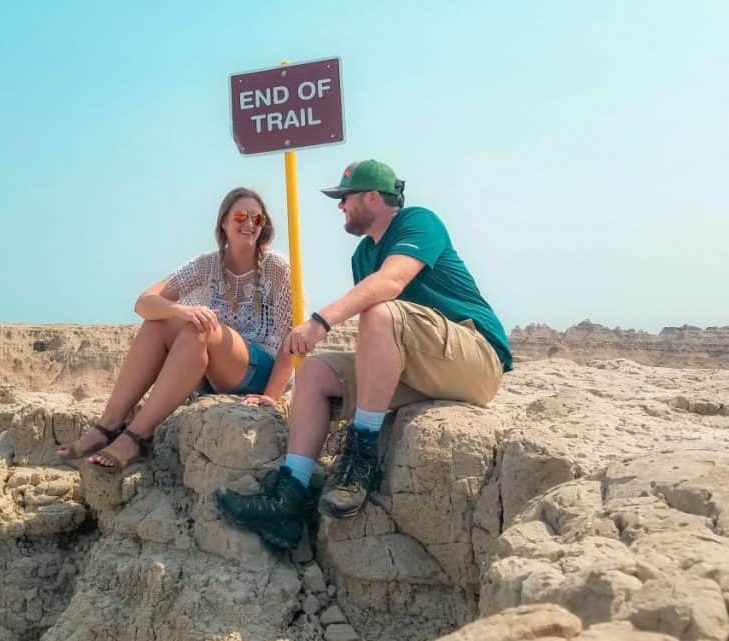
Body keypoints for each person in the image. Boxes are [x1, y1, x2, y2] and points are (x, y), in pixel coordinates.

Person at [214, 160, 512, 549]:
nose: (340, 206)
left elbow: (391, 283)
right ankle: (290, 494)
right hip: (420, 369)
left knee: (379, 311)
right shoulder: (361, 256)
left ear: (373, 197)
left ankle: (361, 459)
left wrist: (320, 322)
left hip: (475, 358)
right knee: (317, 370)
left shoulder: (418, 221)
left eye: (345, 197)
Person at [55, 187, 294, 475]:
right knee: (159, 322)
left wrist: (272, 396)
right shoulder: (207, 264)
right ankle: (107, 426)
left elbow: (292, 337)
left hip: (259, 369)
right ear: (223, 222)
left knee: (201, 328)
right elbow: (144, 302)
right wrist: (180, 310)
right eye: (241, 216)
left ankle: (135, 437)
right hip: (216, 369)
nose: (250, 224)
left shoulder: (276, 267)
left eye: (257, 218)